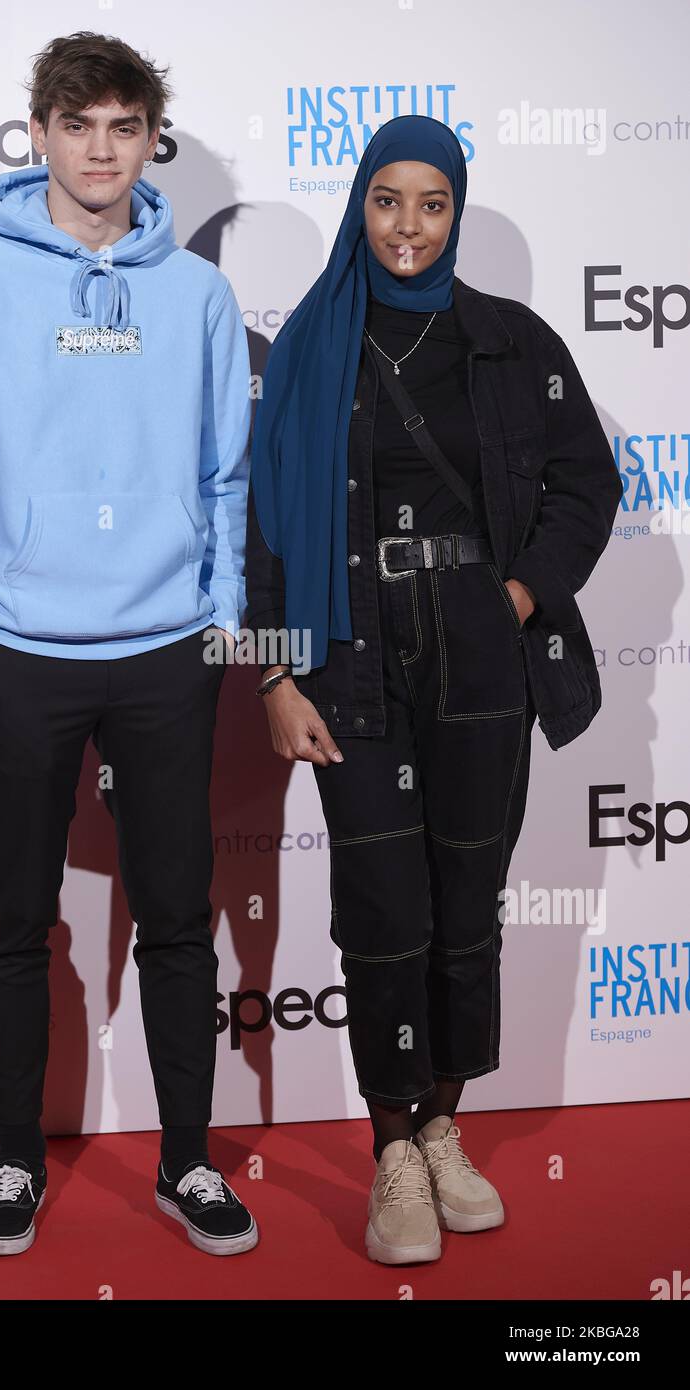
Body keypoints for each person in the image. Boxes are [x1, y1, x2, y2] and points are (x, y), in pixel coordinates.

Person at [0, 31, 256, 1258]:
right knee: (14, 914)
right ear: (39, 133)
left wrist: (218, 613)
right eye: (78, 124)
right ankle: (10, 1159)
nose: (101, 149)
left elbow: (225, 474)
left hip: (163, 649)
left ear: (152, 140)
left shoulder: (196, 295)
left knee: (177, 918)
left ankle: (188, 1163)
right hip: (21, 653)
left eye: (124, 125)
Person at [246, 115, 621, 1264]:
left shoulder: (510, 341)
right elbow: (258, 518)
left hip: (475, 655)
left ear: (454, 213)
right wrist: (268, 668)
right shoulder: (310, 342)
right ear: (359, 206)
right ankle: (390, 1152)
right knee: (382, 916)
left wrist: (514, 598)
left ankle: (444, 1123)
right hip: (347, 655)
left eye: (431, 204)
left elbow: (585, 484)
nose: (407, 226)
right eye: (386, 201)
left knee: (465, 908)